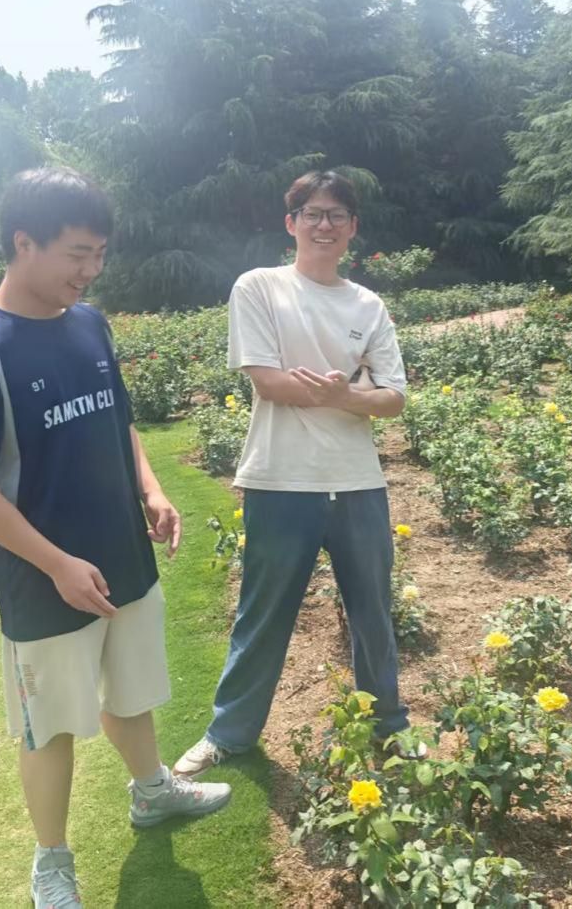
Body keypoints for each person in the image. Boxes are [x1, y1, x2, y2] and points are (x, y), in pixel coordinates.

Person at [0, 167, 230, 909]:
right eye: (77, 254)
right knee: (49, 725)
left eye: (99, 255)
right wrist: (57, 564)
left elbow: (119, 420)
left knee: (132, 691)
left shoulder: (89, 324)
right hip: (43, 580)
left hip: (123, 555)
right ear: (24, 242)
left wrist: (152, 489)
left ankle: (151, 790)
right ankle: (51, 863)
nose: (90, 271)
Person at [174, 169, 424, 778]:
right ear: (291, 224)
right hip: (280, 480)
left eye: (336, 215)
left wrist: (346, 395)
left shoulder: (368, 305)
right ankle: (229, 733)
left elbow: (394, 398)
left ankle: (388, 725)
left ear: (353, 228)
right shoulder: (259, 287)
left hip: (358, 482)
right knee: (263, 614)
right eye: (312, 213)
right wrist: (352, 392)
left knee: (373, 613)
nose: (324, 224)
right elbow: (267, 381)